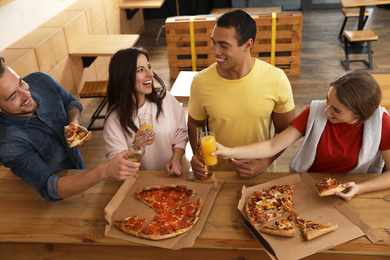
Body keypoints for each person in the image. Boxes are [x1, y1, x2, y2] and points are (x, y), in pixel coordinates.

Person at [214, 70, 390, 200]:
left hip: (354, 189)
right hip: (309, 187)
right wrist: (228, 151)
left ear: (360, 115)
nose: (326, 110)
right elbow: (272, 146)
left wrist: (358, 188)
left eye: (337, 110)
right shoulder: (316, 112)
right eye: (327, 99)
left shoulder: (382, 123)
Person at [0, 56, 140, 202]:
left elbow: (69, 102)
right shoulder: (7, 143)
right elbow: (49, 187)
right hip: (48, 205)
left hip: (81, 174)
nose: (26, 94)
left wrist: (74, 124)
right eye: (13, 96)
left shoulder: (41, 80)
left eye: (21, 83)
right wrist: (105, 171)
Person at [188, 9, 295, 179]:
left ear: (247, 45)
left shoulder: (276, 79)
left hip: (261, 175)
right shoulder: (200, 82)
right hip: (217, 177)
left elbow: (285, 131)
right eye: (213, 43)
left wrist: (264, 162)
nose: (215, 51)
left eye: (224, 45)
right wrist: (198, 156)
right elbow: (195, 123)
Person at [103, 47, 188, 176]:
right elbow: (117, 166)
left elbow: (180, 133)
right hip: (139, 184)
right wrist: (136, 147)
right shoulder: (114, 119)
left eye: (149, 67)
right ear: (125, 77)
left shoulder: (164, 98)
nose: (150, 74)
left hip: (175, 176)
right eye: (141, 70)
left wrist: (176, 161)